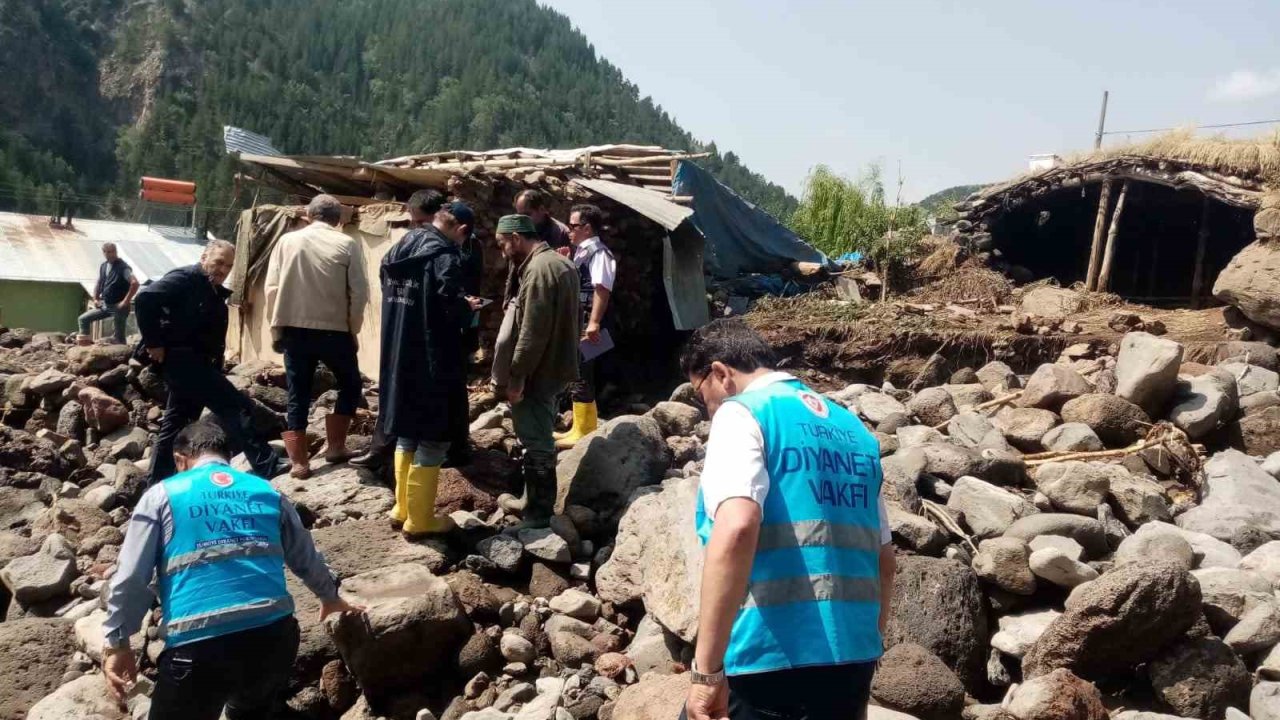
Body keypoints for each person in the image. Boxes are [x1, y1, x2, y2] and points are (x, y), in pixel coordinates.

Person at [678, 319, 895, 720]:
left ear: (721, 373)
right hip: (853, 659)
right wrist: (869, 644)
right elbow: (884, 558)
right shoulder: (855, 430)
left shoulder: (743, 413)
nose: (705, 408)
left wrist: (707, 674)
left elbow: (738, 527)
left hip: (769, 659)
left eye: (699, 393)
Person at [101, 418, 362, 719]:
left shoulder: (161, 496)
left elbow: (132, 575)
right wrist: (330, 596)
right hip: (274, 638)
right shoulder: (267, 491)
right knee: (251, 710)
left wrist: (118, 642)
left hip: (199, 646)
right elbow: (304, 553)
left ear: (180, 460)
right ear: (226, 457)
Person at [135, 240, 284, 484]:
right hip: (186, 362)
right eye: (218, 262)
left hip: (194, 364)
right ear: (204, 257)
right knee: (238, 407)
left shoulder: (209, 287)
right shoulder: (186, 277)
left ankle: (156, 483)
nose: (223, 269)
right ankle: (267, 465)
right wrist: (154, 342)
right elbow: (145, 299)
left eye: (228, 266)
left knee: (176, 424)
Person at [378, 201, 482, 536]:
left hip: (398, 353)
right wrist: (468, 308)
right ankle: (420, 520)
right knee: (434, 437)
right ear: (462, 230)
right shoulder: (444, 256)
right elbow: (449, 308)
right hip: (432, 359)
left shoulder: (399, 249)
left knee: (406, 432)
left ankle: (401, 507)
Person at [264, 194, 369, 479]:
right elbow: (359, 293)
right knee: (350, 383)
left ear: (309, 215)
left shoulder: (287, 241)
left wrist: (276, 328)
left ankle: (299, 463)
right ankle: (335, 446)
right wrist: (353, 329)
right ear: (337, 220)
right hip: (334, 329)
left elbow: (272, 288)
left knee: (298, 392)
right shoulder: (347, 243)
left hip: (294, 328)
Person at [491, 214, 580, 527]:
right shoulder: (560, 263)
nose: (502, 252)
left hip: (539, 372)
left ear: (516, 238)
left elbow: (532, 331)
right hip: (556, 367)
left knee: (536, 440)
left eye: (503, 244)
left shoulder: (539, 270)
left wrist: (516, 377)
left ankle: (539, 512)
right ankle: (531, 499)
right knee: (540, 432)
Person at [350, 189, 446, 475]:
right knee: (429, 417)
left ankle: (386, 456)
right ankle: (416, 510)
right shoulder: (443, 248)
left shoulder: (402, 247)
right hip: (427, 337)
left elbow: (385, 279)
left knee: (398, 394)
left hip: (399, 330)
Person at [555, 204, 616, 449]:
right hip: (580, 318)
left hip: (589, 321)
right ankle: (584, 426)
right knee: (581, 371)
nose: (569, 230)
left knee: (581, 371)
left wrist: (594, 323)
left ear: (587, 228)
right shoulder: (581, 252)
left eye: (573, 226)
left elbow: (602, 288)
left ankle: (582, 429)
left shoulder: (599, 253)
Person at [77, 243, 139, 346]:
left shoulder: (123, 267)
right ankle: (84, 347)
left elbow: (135, 283)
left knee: (119, 338)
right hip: (106, 305)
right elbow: (99, 282)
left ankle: (121, 353)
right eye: (107, 252)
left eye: (111, 252)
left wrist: (125, 301)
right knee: (83, 319)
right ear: (103, 253)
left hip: (119, 306)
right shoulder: (104, 266)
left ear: (116, 252)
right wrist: (96, 298)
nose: (109, 254)